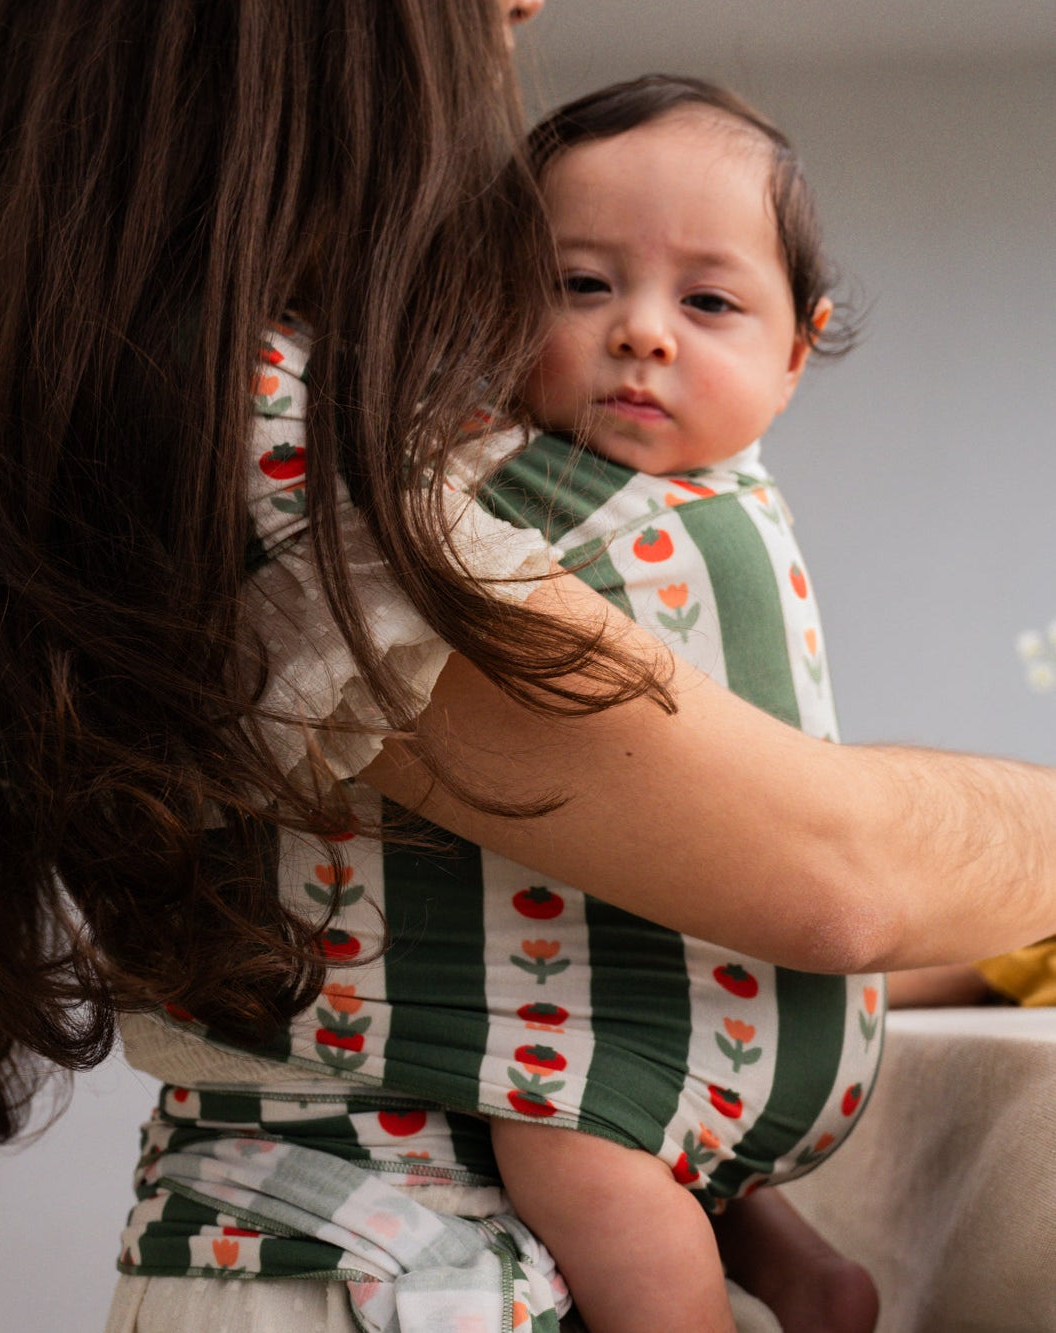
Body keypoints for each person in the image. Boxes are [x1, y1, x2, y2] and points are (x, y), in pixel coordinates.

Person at [0, 3, 1056, 1332]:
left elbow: (715, 903)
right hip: (380, 1273)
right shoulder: (289, 453)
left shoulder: (283, 412)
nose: (524, 6)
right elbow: (833, 878)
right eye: (581, 283)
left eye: (708, 299)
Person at [477, 75, 879, 1333]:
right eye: (583, 285)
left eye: (705, 302)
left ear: (794, 351)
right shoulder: (741, 498)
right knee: (693, 1160)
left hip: (663, 1016)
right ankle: (805, 1274)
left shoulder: (542, 494)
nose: (642, 331)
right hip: (796, 1019)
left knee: (563, 1140)